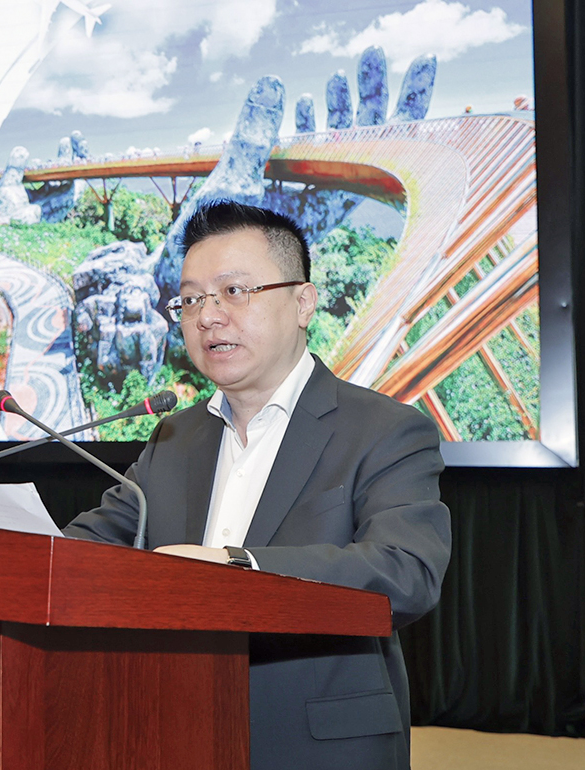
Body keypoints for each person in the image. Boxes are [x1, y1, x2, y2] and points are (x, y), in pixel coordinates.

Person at [64, 201, 451, 770]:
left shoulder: (385, 429)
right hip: (172, 735)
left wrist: (236, 568)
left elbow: (405, 573)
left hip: (317, 749)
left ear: (303, 302)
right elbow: (86, 550)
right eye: (191, 299)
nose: (208, 317)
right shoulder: (174, 437)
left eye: (234, 291)